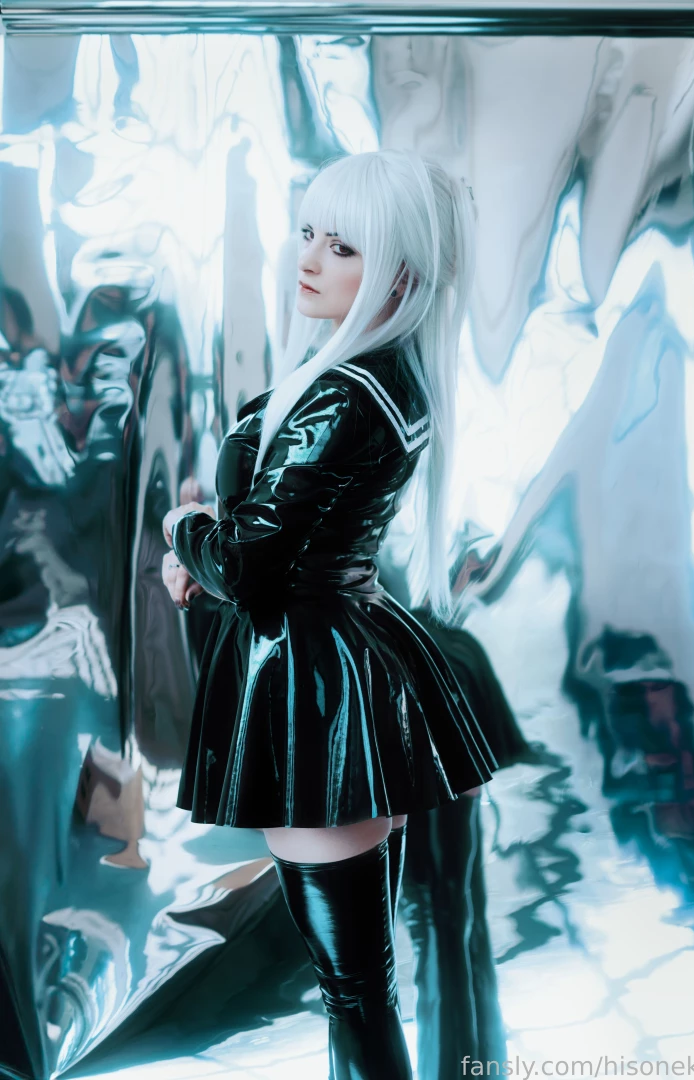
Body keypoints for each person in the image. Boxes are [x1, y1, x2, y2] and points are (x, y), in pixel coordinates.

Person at [160, 148, 498, 1080]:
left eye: (343, 246)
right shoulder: (373, 377)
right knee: (360, 988)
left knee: (355, 993)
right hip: (338, 667)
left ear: (402, 273)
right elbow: (278, 551)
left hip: (316, 687)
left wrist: (185, 528)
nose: (307, 258)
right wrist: (212, 555)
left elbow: (249, 566)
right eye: (309, 232)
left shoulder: (348, 391)